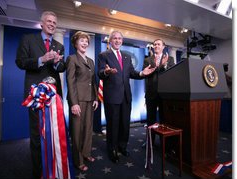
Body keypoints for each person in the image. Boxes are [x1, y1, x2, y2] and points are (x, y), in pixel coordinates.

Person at [16, 11, 65, 178]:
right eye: (49, 21)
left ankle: (54, 170)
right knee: (38, 135)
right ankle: (39, 174)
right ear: (42, 23)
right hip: (35, 96)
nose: (52, 24)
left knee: (54, 135)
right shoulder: (28, 39)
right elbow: (20, 62)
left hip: (53, 96)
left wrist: (58, 63)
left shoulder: (59, 45)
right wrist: (41, 60)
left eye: (54, 22)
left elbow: (61, 68)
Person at [98, 30, 155, 163]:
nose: (117, 41)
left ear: (122, 41)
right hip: (112, 97)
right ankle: (112, 150)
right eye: (115, 38)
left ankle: (122, 146)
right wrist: (106, 72)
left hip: (126, 97)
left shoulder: (126, 56)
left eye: (120, 39)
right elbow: (100, 73)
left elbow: (132, 73)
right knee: (113, 125)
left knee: (124, 124)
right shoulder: (103, 55)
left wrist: (142, 73)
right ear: (110, 41)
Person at [66, 31, 98, 171]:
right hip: (78, 100)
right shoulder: (72, 59)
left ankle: (86, 153)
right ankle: (78, 161)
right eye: (82, 41)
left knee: (87, 129)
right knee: (77, 132)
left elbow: (93, 81)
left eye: (86, 41)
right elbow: (70, 82)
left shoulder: (90, 61)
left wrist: (96, 97)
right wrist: (74, 103)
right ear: (75, 43)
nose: (85, 43)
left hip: (90, 99)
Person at [143, 39, 175, 128]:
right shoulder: (147, 60)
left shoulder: (170, 59)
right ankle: (150, 142)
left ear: (163, 47)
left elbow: (172, 74)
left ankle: (164, 142)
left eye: (158, 44)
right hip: (151, 94)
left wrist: (164, 65)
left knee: (164, 119)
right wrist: (160, 66)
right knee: (150, 120)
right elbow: (145, 74)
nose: (156, 46)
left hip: (164, 94)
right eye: (155, 44)